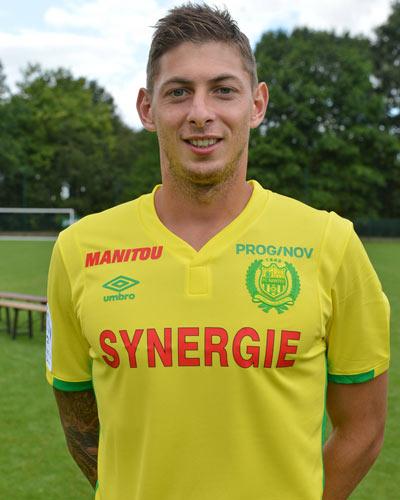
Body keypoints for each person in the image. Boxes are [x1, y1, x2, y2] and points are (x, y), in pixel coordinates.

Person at [46, 3, 390, 499]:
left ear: (257, 104)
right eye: (178, 92)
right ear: (147, 108)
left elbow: (364, 429)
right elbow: (77, 416)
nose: (200, 113)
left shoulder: (330, 243)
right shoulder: (79, 250)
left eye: (223, 90)